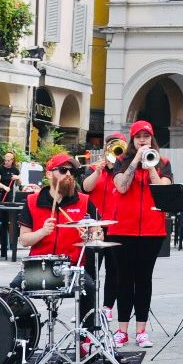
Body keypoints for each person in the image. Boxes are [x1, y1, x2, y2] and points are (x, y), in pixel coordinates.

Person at [18, 154, 100, 345]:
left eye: (72, 171)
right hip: (38, 267)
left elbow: (99, 234)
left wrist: (89, 236)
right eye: (63, 170)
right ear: (49, 174)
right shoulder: (32, 201)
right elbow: (24, 240)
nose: (69, 175)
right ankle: (22, 341)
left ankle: (85, 341)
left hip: (71, 267)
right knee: (13, 292)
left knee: (89, 288)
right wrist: (42, 232)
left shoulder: (84, 201)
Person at [108, 122, 173, 349]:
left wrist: (151, 166)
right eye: (138, 137)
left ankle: (141, 331)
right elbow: (122, 187)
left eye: (146, 136)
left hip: (152, 230)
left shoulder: (163, 163)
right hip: (122, 229)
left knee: (144, 279)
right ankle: (122, 330)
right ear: (132, 140)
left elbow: (163, 191)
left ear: (152, 139)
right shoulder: (121, 161)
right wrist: (135, 162)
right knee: (124, 279)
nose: (142, 140)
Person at [82, 133, 127, 324]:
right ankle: (89, 307)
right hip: (95, 226)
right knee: (90, 269)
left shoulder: (123, 170)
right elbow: (86, 188)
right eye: (111, 146)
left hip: (116, 226)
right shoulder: (94, 168)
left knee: (114, 269)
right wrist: (98, 172)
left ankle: (108, 306)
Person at [0, 149, 23, 258]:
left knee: (9, 220)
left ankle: (10, 244)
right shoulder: (0, 169)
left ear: (12, 160)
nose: (7, 162)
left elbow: (19, 183)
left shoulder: (15, 170)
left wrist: (17, 178)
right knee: (2, 219)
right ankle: (2, 245)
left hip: (9, 196)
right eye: (6, 160)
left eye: (9, 160)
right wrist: (4, 186)